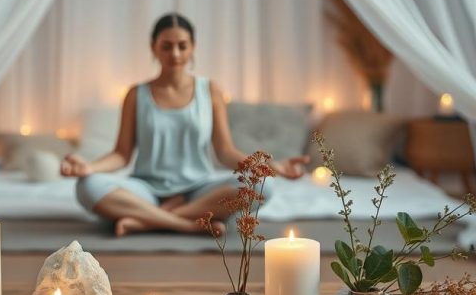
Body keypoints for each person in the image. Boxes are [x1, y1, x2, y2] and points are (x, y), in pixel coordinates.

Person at [60, 13, 308, 237]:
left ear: (193, 48)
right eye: (166, 46)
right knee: (88, 186)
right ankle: (187, 223)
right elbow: (121, 155)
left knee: (265, 186)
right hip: (146, 190)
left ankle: (147, 221)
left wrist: (267, 166)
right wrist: (88, 167)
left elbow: (225, 152)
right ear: (154, 48)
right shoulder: (136, 95)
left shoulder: (209, 91)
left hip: (199, 190)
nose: (175, 54)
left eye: (182, 46)